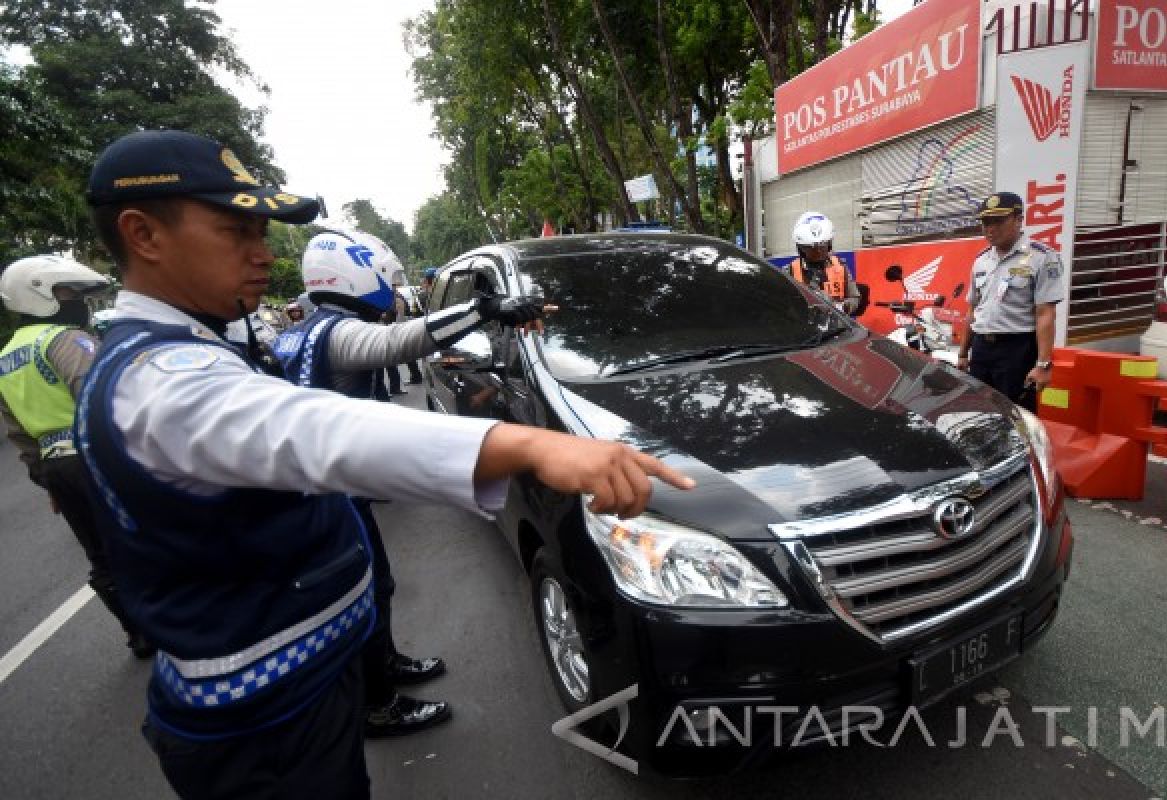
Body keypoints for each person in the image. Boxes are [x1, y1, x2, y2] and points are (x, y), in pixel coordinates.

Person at [77, 128, 693, 799]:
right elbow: (315, 429)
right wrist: (531, 442)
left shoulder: (191, 344)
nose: (261, 255)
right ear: (144, 235)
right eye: (236, 232)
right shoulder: (162, 378)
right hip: (267, 726)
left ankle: (380, 680)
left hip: (298, 690)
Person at [275, 228, 545, 737]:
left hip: (333, 483)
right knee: (364, 588)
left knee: (374, 584)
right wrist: (483, 310)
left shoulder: (302, 329)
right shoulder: (334, 332)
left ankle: (386, 665)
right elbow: (397, 342)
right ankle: (377, 704)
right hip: (333, 493)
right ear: (358, 275)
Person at [0, 255, 151, 658]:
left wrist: (46, 479)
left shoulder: (6, 358)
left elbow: (18, 433)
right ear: (40, 296)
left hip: (56, 464)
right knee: (146, 534)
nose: (77, 303)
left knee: (98, 552)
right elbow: (99, 398)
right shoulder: (65, 339)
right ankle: (174, 619)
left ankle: (136, 632)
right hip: (95, 456)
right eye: (68, 293)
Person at [956, 191, 1064, 409]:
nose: (990, 228)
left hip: (1016, 350)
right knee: (979, 411)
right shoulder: (981, 260)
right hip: (981, 349)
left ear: (1018, 219)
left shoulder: (1042, 257)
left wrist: (1043, 364)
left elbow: (1045, 314)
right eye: (985, 222)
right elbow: (972, 310)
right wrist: (963, 353)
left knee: (1016, 414)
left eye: (998, 221)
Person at [790, 210, 861, 315]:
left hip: (836, 325)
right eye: (811, 249)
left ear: (829, 245)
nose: (818, 252)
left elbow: (855, 298)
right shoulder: (791, 271)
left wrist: (839, 307)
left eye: (822, 247)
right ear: (801, 248)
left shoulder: (840, 267)